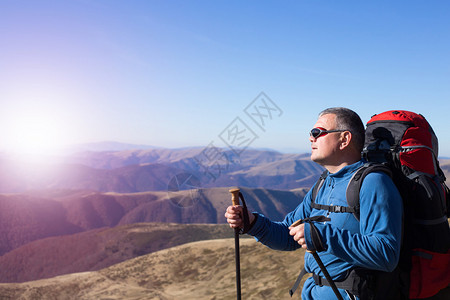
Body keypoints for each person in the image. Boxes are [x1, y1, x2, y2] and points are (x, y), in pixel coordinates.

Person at [225, 107, 403, 300]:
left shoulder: (373, 182)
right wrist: (251, 223)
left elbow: (387, 254)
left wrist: (322, 236)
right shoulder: (324, 183)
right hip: (314, 292)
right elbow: (288, 234)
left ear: (344, 139)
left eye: (317, 133)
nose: (311, 138)